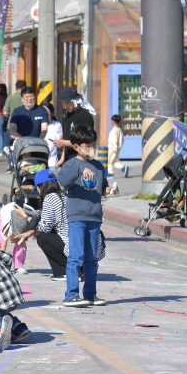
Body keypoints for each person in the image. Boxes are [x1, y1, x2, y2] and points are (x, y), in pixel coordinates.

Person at [57, 125, 116, 308]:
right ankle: (71, 294)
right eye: (88, 146)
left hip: (94, 216)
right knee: (76, 256)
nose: (92, 149)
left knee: (92, 258)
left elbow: (102, 188)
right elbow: (62, 181)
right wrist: (79, 171)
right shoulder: (71, 164)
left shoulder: (98, 165)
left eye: (94, 145)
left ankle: (90, 294)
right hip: (77, 216)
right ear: (77, 147)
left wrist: (111, 189)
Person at [12, 170, 106, 280]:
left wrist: (25, 216)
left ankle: (66, 272)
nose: (37, 191)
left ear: (41, 186)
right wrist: (30, 232)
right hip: (94, 248)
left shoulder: (50, 198)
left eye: (37, 188)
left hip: (78, 248)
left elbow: (44, 228)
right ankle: (82, 269)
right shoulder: (67, 193)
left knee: (42, 237)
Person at [55, 87, 95, 168]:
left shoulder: (85, 115)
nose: (65, 107)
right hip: (69, 161)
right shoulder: (68, 115)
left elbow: (85, 142)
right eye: (63, 104)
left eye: (67, 103)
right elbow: (67, 137)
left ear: (75, 100)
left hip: (81, 162)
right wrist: (62, 159)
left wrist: (64, 143)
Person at [0, 202, 29, 275]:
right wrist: (3, 261)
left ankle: (18, 265)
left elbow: (27, 235)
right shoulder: (7, 224)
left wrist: (19, 238)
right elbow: (4, 243)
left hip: (22, 216)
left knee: (21, 244)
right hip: (5, 213)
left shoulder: (30, 220)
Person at [2, 80, 27, 172]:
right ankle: (21, 164)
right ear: (24, 88)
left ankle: (11, 164)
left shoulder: (10, 98)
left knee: (7, 146)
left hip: (10, 126)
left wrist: (10, 117)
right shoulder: (25, 98)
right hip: (23, 127)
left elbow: (5, 112)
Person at [108, 114, 128, 178]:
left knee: (109, 161)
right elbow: (122, 139)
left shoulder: (113, 131)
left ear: (112, 122)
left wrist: (114, 148)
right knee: (115, 161)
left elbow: (114, 140)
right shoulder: (119, 130)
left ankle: (110, 173)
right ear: (119, 122)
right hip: (118, 148)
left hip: (112, 148)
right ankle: (123, 168)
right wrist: (119, 146)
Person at [44, 103, 63, 169]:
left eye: (47, 113)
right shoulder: (37, 124)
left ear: (52, 113)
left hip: (52, 162)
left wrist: (58, 141)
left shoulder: (57, 125)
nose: (45, 115)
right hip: (39, 162)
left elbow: (59, 141)